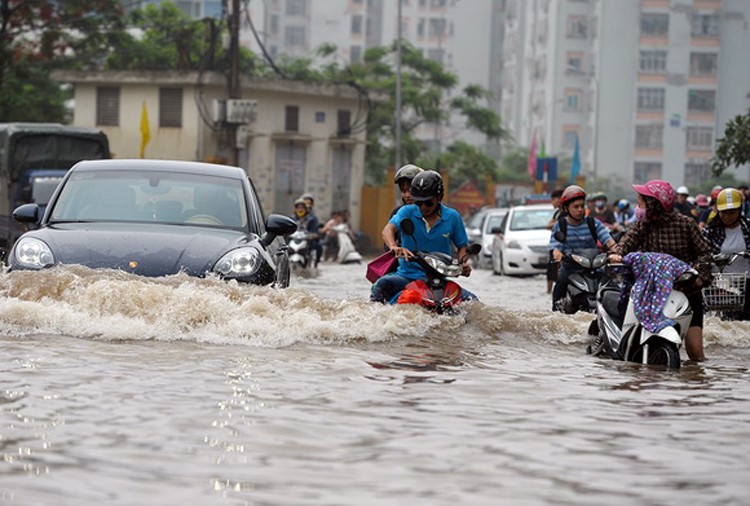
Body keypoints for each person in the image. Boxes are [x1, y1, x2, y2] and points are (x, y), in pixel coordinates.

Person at [609, 180, 712, 361]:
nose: (638, 207)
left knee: (696, 353)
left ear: (654, 204)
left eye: (641, 203)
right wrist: (617, 254)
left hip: (686, 290)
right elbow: (626, 242)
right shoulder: (643, 224)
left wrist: (699, 277)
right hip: (651, 288)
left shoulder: (686, 224)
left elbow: (704, 253)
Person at [370, 170, 474, 303]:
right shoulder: (407, 211)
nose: (423, 207)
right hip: (406, 276)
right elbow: (387, 230)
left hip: (440, 278)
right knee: (381, 285)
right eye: (419, 203)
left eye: (428, 203)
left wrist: (462, 264)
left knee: (473, 301)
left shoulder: (452, 217)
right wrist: (394, 246)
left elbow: (462, 246)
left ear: (439, 197)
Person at [549, 185, 616, 312]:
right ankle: (556, 313)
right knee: (559, 286)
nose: (580, 210)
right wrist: (558, 254)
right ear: (566, 208)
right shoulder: (560, 225)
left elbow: (610, 242)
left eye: (582, 206)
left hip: (594, 268)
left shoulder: (593, 223)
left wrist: (616, 252)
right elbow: (556, 248)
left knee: (614, 290)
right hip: (570, 269)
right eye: (576, 207)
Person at [702, 188, 750, 320]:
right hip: (720, 283)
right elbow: (701, 252)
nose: (727, 216)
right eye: (723, 212)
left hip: (746, 281)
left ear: (740, 210)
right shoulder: (710, 231)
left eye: (732, 212)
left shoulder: (747, 227)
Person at [545, 188, 564, 294]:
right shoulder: (557, 213)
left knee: (559, 270)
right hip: (554, 245)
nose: (552, 202)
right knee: (550, 270)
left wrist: (554, 224)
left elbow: (554, 225)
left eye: (553, 199)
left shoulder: (566, 213)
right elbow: (549, 224)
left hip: (562, 246)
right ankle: (549, 291)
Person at [292, 197, 320, 266]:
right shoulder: (292, 218)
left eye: (302, 208)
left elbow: (314, 231)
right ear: (295, 209)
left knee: (317, 247)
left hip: (307, 241)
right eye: (298, 208)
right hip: (293, 240)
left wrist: (313, 235)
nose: (300, 209)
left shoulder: (312, 218)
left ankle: (313, 263)